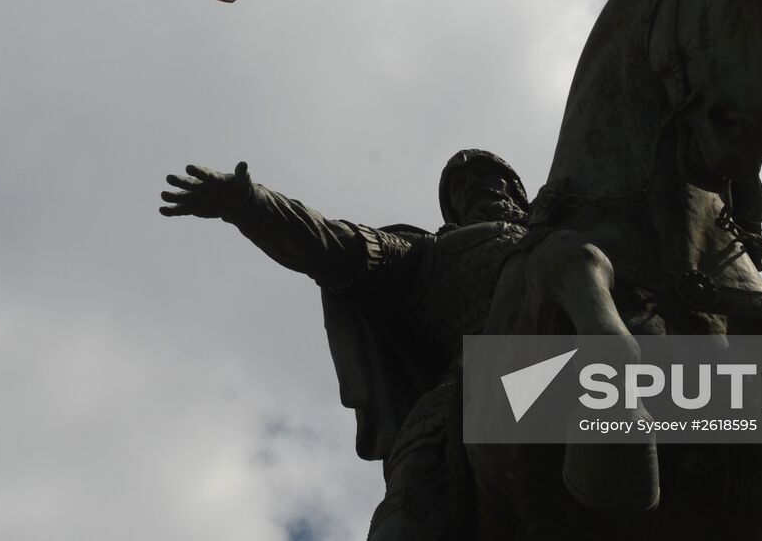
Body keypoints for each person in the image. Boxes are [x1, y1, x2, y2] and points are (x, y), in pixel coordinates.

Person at [160, 150, 531, 540]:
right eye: (460, 184)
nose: (475, 185)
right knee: (409, 498)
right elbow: (335, 244)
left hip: (581, 372)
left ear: (516, 189)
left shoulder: (567, 224)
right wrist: (251, 204)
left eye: (487, 175)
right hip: (464, 392)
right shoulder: (430, 255)